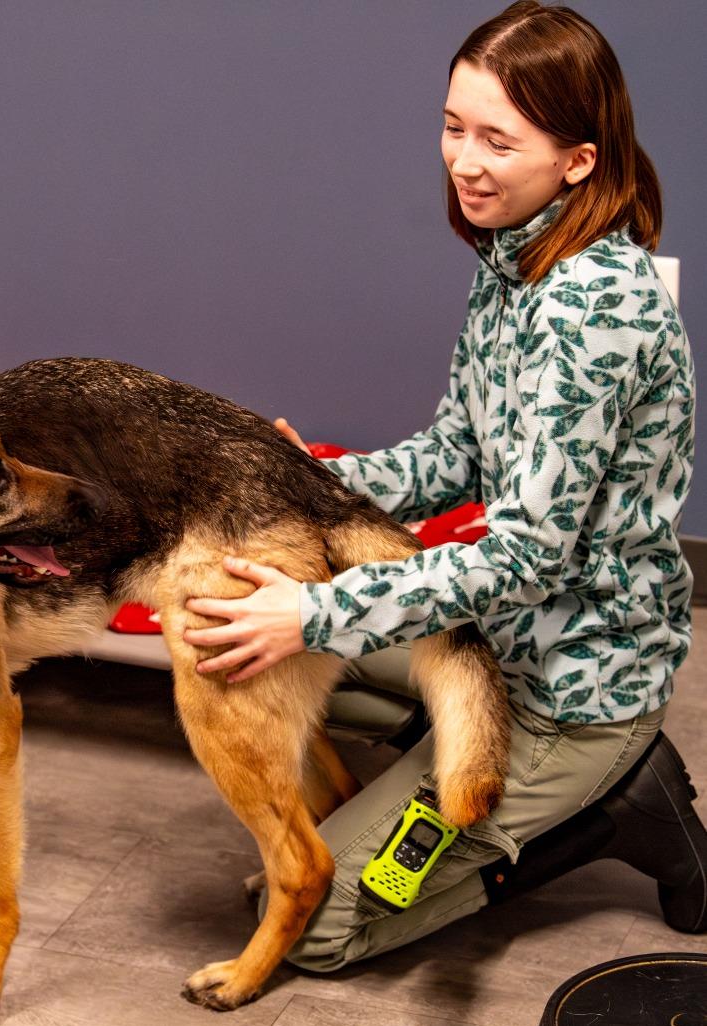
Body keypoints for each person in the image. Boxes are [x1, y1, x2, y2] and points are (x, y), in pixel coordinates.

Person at [183, 1, 704, 970]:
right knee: (230, 648)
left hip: (569, 690)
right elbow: (454, 452)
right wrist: (298, 483)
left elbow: (523, 553)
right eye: (452, 125)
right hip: (490, 643)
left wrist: (318, 608)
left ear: (576, 159)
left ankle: (616, 802)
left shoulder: (591, 311)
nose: (461, 159)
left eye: (495, 139)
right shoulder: (513, 254)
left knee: (321, 925)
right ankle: (434, 758)